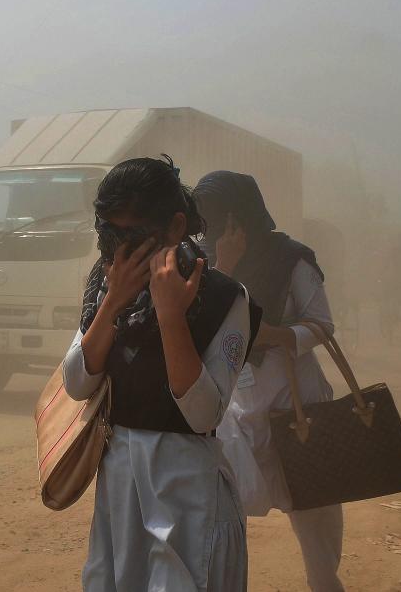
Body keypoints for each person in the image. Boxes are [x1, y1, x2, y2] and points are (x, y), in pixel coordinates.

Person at [62, 157, 261, 592]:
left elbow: (203, 415)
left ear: (174, 227)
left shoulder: (225, 298)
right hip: (120, 491)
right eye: (109, 236)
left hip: (187, 494)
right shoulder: (106, 284)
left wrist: (171, 316)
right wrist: (113, 303)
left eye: (132, 237)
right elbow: (77, 382)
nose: (119, 252)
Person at [193, 171, 345, 592]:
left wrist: (276, 336)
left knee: (314, 510)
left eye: (219, 217)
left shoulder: (290, 257)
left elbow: (322, 324)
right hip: (235, 406)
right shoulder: (202, 264)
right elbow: (196, 327)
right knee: (221, 508)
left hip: (296, 398)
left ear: (241, 215)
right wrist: (224, 265)